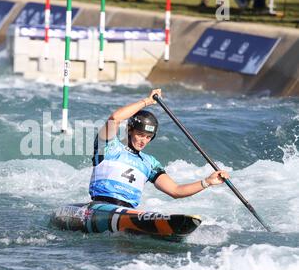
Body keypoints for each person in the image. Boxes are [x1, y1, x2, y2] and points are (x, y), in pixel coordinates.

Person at [89, 89, 230, 209]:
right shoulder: (109, 146)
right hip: (100, 206)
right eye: (140, 135)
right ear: (129, 130)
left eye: (148, 137)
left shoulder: (149, 163)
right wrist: (147, 101)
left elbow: (175, 191)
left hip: (128, 212)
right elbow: (115, 117)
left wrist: (207, 182)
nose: (144, 140)